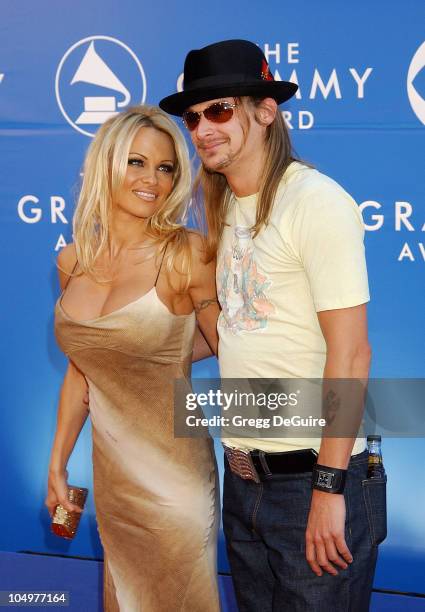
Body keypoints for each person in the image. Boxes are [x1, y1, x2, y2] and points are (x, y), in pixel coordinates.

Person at [160, 40, 386, 611]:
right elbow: (232, 333)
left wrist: (329, 489)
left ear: (266, 111)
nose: (203, 128)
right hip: (243, 481)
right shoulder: (226, 207)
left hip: (314, 480)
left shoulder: (315, 202)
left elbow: (353, 355)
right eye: (193, 117)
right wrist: (132, 352)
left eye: (219, 110)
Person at [45, 106, 221, 612]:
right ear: (106, 165)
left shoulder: (187, 254)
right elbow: (84, 370)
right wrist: (57, 464)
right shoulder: (72, 261)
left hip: (175, 486)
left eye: (165, 168)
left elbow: (231, 350)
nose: (152, 180)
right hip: (115, 486)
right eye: (137, 162)